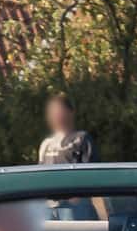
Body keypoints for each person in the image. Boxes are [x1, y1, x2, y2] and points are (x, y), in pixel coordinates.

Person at [38, 92, 96, 221]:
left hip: (75, 207)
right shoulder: (46, 144)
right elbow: (40, 176)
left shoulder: (81, 139)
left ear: (70, 112)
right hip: (49, 208)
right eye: (53, 111)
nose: (56, 115)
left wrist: (77, 197)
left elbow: (92, 174)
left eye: (59, 110)